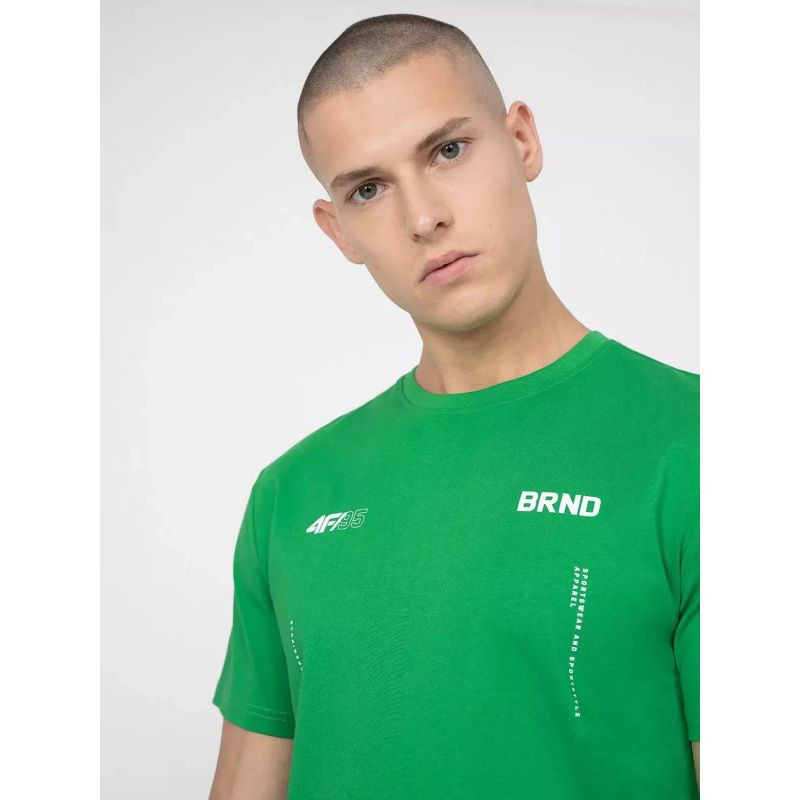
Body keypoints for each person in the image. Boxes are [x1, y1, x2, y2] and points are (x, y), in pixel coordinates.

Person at [208, 13, 700, 800]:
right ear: (339, 231)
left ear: (522, 141)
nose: (423, 217)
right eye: (369, 189)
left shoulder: (699, 445)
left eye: (447, 150)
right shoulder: (290, 494)